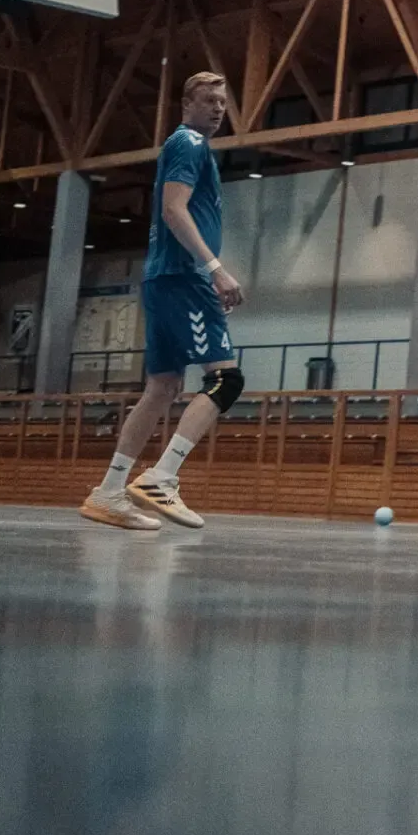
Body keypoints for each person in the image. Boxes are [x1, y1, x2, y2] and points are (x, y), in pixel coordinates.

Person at [80, 72, 245, 530]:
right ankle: (162, 476)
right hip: (183, 278)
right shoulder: (189, 142)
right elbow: (175, 209)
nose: (218, 109)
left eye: (223, 102)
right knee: (225, 381)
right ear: (186, 103)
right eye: (209, 100)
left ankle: (110, 492)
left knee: (163, 387)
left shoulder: (190, 146)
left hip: (165, 279)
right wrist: (215, 269)